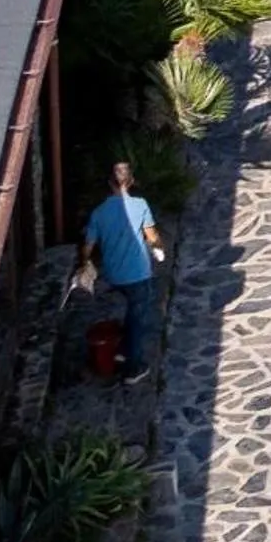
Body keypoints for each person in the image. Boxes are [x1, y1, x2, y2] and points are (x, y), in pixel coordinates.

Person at [76, 160, 163, 384]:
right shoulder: (140, 205)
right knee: (138, 318)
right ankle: (132, 367)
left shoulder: (99, 213)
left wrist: (84, 263)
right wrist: (158, 248)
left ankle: (122, 349)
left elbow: (89, 245)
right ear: (131, 181)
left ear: (109, 183)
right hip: (138, 273)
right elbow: (152, 236)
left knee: (132, 312)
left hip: (114, 273)